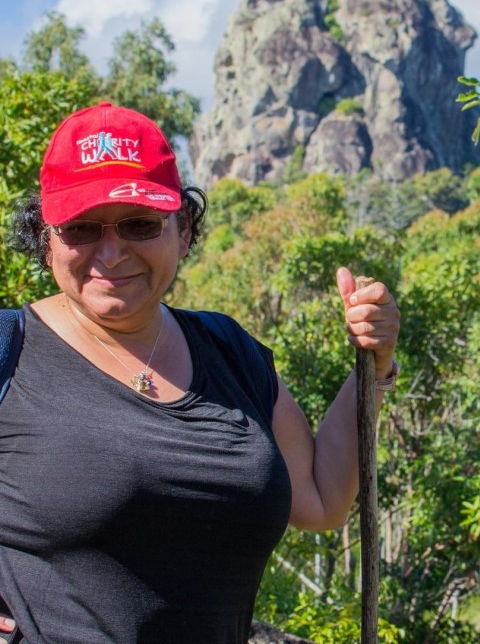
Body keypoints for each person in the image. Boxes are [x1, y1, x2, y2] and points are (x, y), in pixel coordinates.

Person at [0, 102, 400, 644]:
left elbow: (320, 498)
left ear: (182, 229)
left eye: (140, 223)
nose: (111, 252)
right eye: (81, 228)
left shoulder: (231, 351)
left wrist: (370, 368)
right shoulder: (11, 351)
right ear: (47, 240)